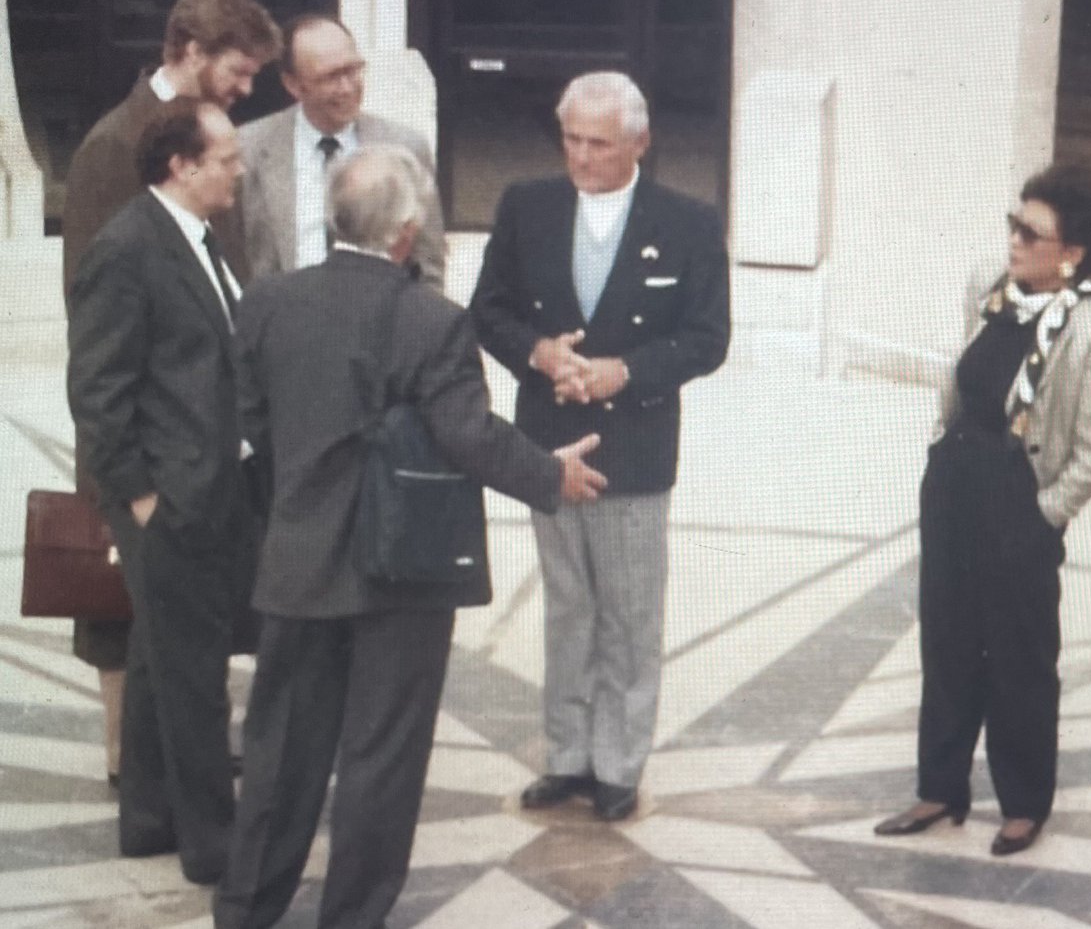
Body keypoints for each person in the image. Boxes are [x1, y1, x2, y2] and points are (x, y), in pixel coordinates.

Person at [212, 144, 606, 929]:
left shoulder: (267, 302)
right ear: (404, 232)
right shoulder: (432, 320)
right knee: (380, 764)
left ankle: (245, 911)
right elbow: (466, 435)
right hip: (404, 575)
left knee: (278, 756)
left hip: (296, 565)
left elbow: (247, 422)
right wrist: (546, 473)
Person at [469, 71, 731, 821]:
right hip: (548, 444)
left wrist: (627, 372)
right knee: (567, 607)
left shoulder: (687, 221)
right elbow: (489, 310)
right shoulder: (528, 206)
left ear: (640, 142)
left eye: (600, 143)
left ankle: (618, 762)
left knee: (628, 611)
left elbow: (708, 337)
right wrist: (541, 353)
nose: (582, 158)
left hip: (635, 446)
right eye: (571, 140)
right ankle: (568, 755)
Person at [60, 0, 280, 787]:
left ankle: (174, 757)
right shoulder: (111, 149)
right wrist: (127, 481)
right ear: (188, 51)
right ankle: (134, 765)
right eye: (238, 69)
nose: (247, 88)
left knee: (193, 619)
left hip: (207, 445)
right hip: (147, 451)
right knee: (127, 616)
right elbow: (98, 329)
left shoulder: (212, 140)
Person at [875, 165, 1091, 856]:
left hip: (1020, 501)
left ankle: (1023, 802)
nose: (1014, 240)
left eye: (1031, 232)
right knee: (948, 638)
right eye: (1013, 224)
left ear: (1071, 252)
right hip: (955, 485)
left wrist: (1043, 514)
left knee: (1020, 653)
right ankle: (939, 787)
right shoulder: (992, 288)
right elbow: (966, 380)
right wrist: (941, 450)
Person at [67, 99, 258, 885]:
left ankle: (147, 818)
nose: (239, 172)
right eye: (227, 160)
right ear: (181, 166)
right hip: (169, 500)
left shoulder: (197, 240)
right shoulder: (128, 249)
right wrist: (141, 497)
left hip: (206, 486)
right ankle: (214, 844)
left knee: (155, 660)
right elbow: (98, 388)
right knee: (191, 671)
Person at [231, 14, 445, 287]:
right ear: (293, 85)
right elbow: (234, 256)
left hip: (377, 322)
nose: (347, 88)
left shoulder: (404, 147)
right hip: (286, 320)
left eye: (353, 70)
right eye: (331, 77)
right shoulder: (248, 148)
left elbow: (428, 266)